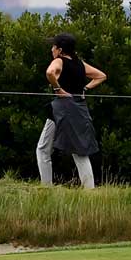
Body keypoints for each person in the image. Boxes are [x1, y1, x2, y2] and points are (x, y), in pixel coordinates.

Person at [37, 33, 105, 188]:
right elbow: (101, 76)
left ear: (60, 50)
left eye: (53, 46)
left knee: (75, 151)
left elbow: (49, 72)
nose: (51, 49)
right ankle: (47, 188)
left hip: (64, 109)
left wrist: (57, 88)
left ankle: (87, 191)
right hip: (75, 109)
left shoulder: (59, 61)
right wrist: (85, 88)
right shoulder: (80, 63)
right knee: (45, 147)